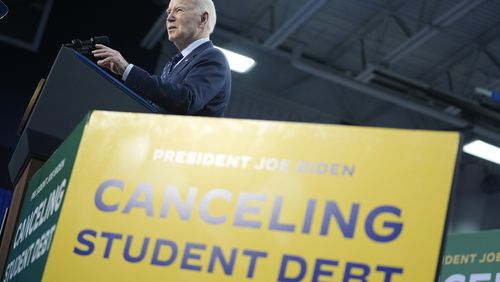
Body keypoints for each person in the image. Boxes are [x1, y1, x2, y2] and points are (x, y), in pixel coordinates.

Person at [92, 0, 231, 117]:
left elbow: (186, 100)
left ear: (203, 19)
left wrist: (128, 70)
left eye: (179, 10)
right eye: (168, 12)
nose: (169, 17)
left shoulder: (213, 57)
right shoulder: (174, 63)